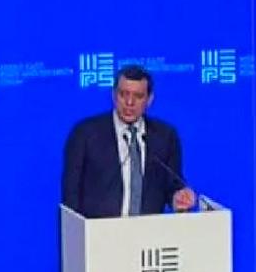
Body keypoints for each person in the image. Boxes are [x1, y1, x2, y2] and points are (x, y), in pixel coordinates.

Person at [62, 65, 195, 218]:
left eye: (138, 96)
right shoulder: (85, 134)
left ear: (149, 99)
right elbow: (70, 196)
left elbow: (172, 185)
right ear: (113, 95)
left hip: (148, 231)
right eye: (123, 94)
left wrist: (178, 198)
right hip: (98, 230)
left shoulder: (165, 136)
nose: (129, 102)